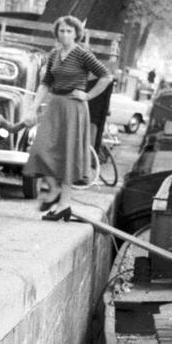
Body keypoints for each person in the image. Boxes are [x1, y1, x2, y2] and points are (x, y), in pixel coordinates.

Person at [23, 15, 112, 218]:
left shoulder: (82, 54)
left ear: (76, 33)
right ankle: (53, 189)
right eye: (62, 31)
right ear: (57, 33)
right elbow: (45, 83)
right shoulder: (54, 54)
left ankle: (64, 204)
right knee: (40, 148)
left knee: (69, 153)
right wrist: (33, 108)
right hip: (55, 105)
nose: (65, 34)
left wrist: (87, 94)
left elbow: (106, 76)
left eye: (69, 31)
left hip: (74, 108)